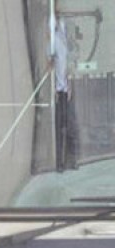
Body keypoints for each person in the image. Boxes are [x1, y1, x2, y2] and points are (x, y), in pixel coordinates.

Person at [53, 4, 78, 171]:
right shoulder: (52, 36)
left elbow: (73, 57)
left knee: (70, 125)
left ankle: (71, 161)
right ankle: (60, 164)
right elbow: (49, 61)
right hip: (57, 90)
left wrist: (71, 82)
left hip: (67, 88)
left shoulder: (66, 32)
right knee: (60, 126)